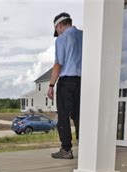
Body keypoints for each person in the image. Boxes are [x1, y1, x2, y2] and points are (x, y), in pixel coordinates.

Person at [47, 12, 82, 159]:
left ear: (59, 25)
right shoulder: (84, 35)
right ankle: (87, 147)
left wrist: (51, 85)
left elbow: (58, 64)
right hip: (82, 81)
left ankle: (66, 149)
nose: (58, 32)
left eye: (57, 30)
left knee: (63, 116)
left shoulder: (62, 39)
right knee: (80, 115)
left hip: (66, 81)